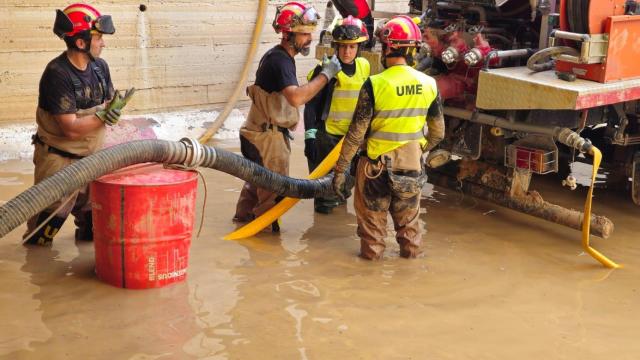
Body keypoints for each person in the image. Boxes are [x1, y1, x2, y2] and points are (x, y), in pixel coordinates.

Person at [331, 15, 445, 260]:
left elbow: (355, 135)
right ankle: (409, 279)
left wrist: (340, 171)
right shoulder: (429, 84)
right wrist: (417, 148)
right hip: (411, 167)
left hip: (375, 170)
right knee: (410, 229)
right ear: (412, 50)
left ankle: (370, 283)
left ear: (388, 48)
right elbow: (438, 133)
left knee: (373, 234)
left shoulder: (374, 84)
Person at [24, 3, 134, 245]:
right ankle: (39, 275)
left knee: (94, 231)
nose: (103, 43)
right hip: (59, 161)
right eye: (98, 38)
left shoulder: (100, 67)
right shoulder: (57, 74)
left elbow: (107, 102)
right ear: (81, 43)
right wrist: (104, 116)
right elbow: (71, 129)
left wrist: (113, 112)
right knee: (42, 234)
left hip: (92, 159)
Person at [233, 2, 343, 231]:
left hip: (257, 134)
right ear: (288, 33)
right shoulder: (280, 60)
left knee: (256, 186)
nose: (309, 38)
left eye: (309, 32)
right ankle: (266, 252)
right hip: (267, 140)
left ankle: (242, 226)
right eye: (304, 33)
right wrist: (326, 74)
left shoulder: (278, 57)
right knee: (274, 196)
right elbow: (296, 98)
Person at [304, 16, 371, 214]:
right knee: (324, 195)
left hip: (351, 140)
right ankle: (322, 232)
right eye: (342, 46)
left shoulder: (364, 67)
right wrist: (310, 137)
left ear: (359, 47)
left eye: (352, 47)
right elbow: (311, 105)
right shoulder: (326, 69)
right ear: (336, 46)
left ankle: (336, 228)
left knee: (343, 188)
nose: (347, 51)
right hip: (327, 138)